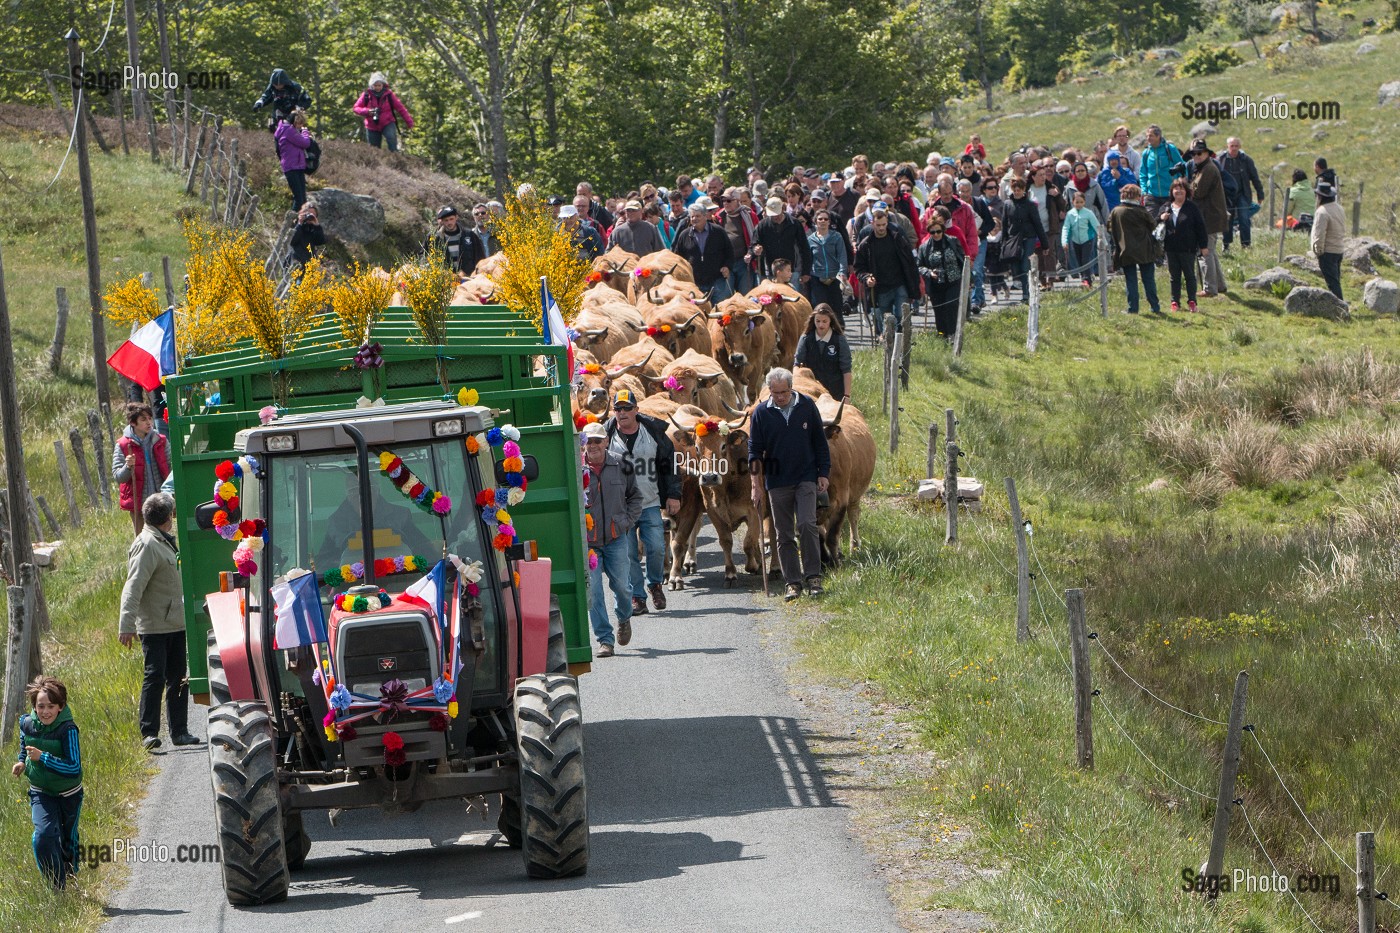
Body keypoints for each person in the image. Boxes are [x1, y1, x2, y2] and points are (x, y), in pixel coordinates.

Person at [119, 493, 198, 751]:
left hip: (174, 621)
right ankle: (149, 733)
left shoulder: (162, 540)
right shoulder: (147, 544)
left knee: (179, 678)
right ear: (167, 518)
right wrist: (127, 625)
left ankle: (180, 731)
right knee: (155, 677)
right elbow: (133, 587)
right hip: (154, 626)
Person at [748, 368, 830, 603]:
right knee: (783, 534)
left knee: (806, 524)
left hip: (805, 476)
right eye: (775, 393)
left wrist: (823, 473)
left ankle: (813, 577)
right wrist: (756, 485)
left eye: (784, 392)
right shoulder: (761, 413)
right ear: (770, 391)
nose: (780, 397)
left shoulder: (806, 406)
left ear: (791, 388)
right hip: (776, 481)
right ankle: (792, 582)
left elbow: (820, 442)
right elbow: (754, 451)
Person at [603, 388, 680, 617]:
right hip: (620, 507)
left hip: (649, 501)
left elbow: (670, 464)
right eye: (618, 408)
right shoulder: (606, 436)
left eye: (627, 408)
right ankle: (638, 596)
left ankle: (655, 583)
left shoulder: (653, 432)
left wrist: (673, 494)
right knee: (628, 554)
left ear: (637, 409)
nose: (623, 412)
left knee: (656, 546)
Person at [13, 676, 82, 890]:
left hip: (69, 793)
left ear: (61, 707)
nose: (45, 711)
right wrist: (21, 761)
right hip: (41, 792)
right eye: (40, 706)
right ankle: (56, 886)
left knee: (66, 838)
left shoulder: (68, 730)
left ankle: (71, 873)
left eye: (51, 706)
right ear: (34, 706)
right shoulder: (26, 723)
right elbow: (26, 743)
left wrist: (43, 758)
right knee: (43, 836)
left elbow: (73, 768)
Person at [581, 422, 641, 657]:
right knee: (594, 592)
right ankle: (605, 639)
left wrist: (626, 522)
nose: (593, 445)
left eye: (598, 440)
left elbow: (635, 497)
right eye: (589, 441)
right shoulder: (577, 466)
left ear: (606, 441)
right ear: (583, 443)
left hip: (616, 538)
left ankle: (624, 618)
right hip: (589, 543)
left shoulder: (621, 463)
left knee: (623, 588)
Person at [854, 204, 920, 335]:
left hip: (899, 284)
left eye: (884, 224)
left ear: (887, 223)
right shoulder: (866, 244)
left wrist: (915, 282)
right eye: (878, 225)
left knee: (902, 315)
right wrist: (867, 278)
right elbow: (859, 268)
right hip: (880, 288)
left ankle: (903, 344)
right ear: (872, 224)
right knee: (885, 320)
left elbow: (910, 261)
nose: (881, 228)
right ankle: (888, 347)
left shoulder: (897, 238)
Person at [112, 402, 170, 535]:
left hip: (160, 501)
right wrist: (128, 467)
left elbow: (172, 469)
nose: (149, 422)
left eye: (150, 418)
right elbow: (118, 477)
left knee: (163, 538)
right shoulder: (123, 445)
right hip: (138, 504)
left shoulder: (161, 441)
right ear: (133, 423)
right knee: (142, 540)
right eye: (143, 419)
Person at [1107, 184, 1161, 314]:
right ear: (1137, 196)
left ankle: (1133, 309)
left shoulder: (1116, 211)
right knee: (1148, 280)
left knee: (1131, 281)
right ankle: (1155, 307)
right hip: (1145, 250)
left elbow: (1109, 228)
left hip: (1126, 250)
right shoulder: (1141, 211)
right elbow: (1153, 225)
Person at [1187, 139, 1229, 297]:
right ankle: (1220, 285)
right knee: (1210, 252)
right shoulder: (1202, 168)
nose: (1196, 156)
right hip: (1209, 216)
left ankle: (1210, 289)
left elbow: (1198, 192)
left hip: (1209, 217)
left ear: (1206, 154)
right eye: (1193, 153)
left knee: (1205, 252)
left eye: (1199, 153)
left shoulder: (1209, 169)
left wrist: (1186, 186)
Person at [1159, 178, 1208, 312]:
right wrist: (1161, 218)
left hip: (1188, 248)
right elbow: (1155, 223)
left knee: (1189, 276)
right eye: (1176, 189)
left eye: (1181, 188)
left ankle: (1192, 301)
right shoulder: (1166, 207)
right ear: (1171, 192)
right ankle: (1175, 302)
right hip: (1170, 248)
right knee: (1174, 276)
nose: (1178, 191)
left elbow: (1201, 227)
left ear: (1186, 191)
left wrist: (1204, 246)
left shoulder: (1192, 207)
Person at [999, 178, 1048, 304]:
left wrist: (1044, 244)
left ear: (1023, 190)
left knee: (1025, 265)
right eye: (1014, 190)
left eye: (1019, 190)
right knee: (1015, 265)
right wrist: (1003, 242)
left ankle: (1027, 293)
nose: (1016, 192)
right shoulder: (1007, 204)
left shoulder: (1030, 205)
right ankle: (1022, 285)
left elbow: (1038, 224)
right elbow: (1004, 224)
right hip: (1013, 239)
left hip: (1028, 238)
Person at [673, 203, 734, 301]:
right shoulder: (684, 235)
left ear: (705, 216)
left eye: (698, 216)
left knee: (718, 309)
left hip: (717, 280)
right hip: (695, 282)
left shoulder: (718, 232)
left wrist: (727, 266)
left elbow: (729, 252)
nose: (694, 219)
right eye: (692, 216)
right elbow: (678, 257)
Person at [917, 217, 965, 338]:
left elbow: (963, 259)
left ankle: (953, 335)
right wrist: (929, 273)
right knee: (939, 312)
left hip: (953, 281)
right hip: (935, 284)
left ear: (943, 230)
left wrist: (968, 278)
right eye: (932, 232)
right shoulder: (924, 247)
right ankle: (942, 335)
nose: (936, 234)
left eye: (938, 231)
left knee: (951, 307)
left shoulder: (953, 241)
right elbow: (919, 266)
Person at [793, 304, 852, 400]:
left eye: (824, 321)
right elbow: (797, 364)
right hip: (812, 391)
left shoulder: (839, 340)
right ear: (813, 320)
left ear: (830, 321)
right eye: (818, 321)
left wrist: (846, 396)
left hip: (835, 391)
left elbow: (846, 370)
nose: (821, 325)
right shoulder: (806, 339)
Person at [754, 197, 814, 283]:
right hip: (770, 272)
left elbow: (804, 247)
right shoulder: (762, 225)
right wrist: (756, 249)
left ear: (783, 209)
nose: (775, 217)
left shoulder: (795, 224)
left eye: (777, 213)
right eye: (772, 214)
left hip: (792, 271)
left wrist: (805, 272)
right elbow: (754, 243)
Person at [1219, 137, 1264, 249]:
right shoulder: (1221, 160)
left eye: (1236, 146)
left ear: (1239, 146)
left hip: (1242, 194)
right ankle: (1226, 245)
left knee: (1244, 218)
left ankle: (1246, 244)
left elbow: (1254, 177)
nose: (1234, 148)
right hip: (1227, 195)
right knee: (1227, 220)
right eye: (1231, 146)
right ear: (1227, 146)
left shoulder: (1246, 160)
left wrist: (1260, 194)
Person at [352, 72, 413, 151]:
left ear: (383, 85)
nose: (377, 87)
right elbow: (356, 108)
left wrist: (409, 122)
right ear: (371, 85)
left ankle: (395, 159)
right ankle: (377, 163)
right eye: (375, 85)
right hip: (372, 125)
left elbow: (400, 108)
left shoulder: (389, 95)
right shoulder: (366, 95)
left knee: (391, 140)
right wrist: (367, 111)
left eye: (379, 85)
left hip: (388, 122)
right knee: (374, 149)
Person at [424, 205, 485, 275]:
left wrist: (467, 272)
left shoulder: (469, 235)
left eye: (451, 219)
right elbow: (424, 257)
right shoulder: (434, 238)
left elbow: (480, 257)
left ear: (456, 217)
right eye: (446, 220)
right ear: (442, 221)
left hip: (468, 279)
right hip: (445, 280)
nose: (449, 223)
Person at [806, 209, 847, 312]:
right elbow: (808, 259)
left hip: (835, 277)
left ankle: (838, 327)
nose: (823, 221)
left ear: (829, 222)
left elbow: (842, 255)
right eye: (820, 219)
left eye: (826, 219)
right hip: (818, 277)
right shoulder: (810, 240)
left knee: (836, 308)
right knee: (820, 309)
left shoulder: (837, 237)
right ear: (815, 221)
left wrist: (842, 272)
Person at [1311, 181, 1345, 300]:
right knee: (1335, 280)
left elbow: (1319, 234)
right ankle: (1339, 305)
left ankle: (1339, 308)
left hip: (1328, 251)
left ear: (1320, 197)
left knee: (1332, 283)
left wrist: (1318, 251)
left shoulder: (1322, 212)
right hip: (1339, 249)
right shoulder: (1339, 208)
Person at [1138, 124, 1184, 214]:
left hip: (1169, 194)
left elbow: (1182, 166)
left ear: (1158, 136)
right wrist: (1144, 190)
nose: (1148, 138)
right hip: (1152, 196)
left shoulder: (1170, 149)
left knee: (1170, 223)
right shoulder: (1146, 153)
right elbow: (1143, 173)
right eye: (1147, 136)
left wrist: (1180, 185)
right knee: (1152, 223)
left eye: (1151, 136)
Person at [273, 109, 313, 210]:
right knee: (299, 199)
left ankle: (299, 221)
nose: (300, 126)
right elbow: (305, 143)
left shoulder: (285, 129)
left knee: (302, 198)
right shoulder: (289, 131)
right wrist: (305, 132)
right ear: (294, 122)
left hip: (296, 166)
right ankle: (293, 221)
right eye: (299, 124)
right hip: (292, 167)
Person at [1060, 191, 1100, 287]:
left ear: (1084, 202)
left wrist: (1103, 241)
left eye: (1081, 202)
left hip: (1087, 240)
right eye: (1077, 202)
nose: (1079, 204)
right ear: (1072, 202)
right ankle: (1085, 278)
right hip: (1075, 241)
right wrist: (1064, 241)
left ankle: (1087, 280)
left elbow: (1097, 226)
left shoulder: (1088, 213)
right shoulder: (1070, 214)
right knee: (1079, 260)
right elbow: (1066, 228)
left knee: (1085, 259)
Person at [288, 202, 325, 268]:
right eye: (307, 214)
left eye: (313, 215)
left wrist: (317, 226)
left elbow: (320, 241)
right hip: (295, 262)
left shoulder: (313, 228)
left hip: (309, 264)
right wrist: (299, 224)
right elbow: (292, 240)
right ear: (302, 213)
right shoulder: (294, 225)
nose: (309, 217)